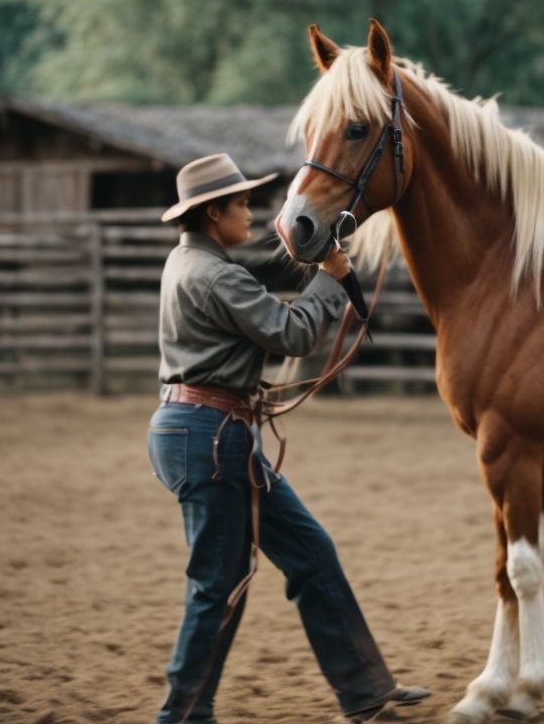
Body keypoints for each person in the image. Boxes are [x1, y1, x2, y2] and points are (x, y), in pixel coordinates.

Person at [147, 153, 428, 723]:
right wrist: (331, 276)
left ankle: (364, 689)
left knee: (308, 553)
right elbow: (292, 334)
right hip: (213, 437)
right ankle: (181, 716)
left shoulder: (185, 264)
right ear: (212, 214)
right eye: (242, 204)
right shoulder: (215, 274)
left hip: (209, 432)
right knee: (218, 586)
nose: (251, 213)